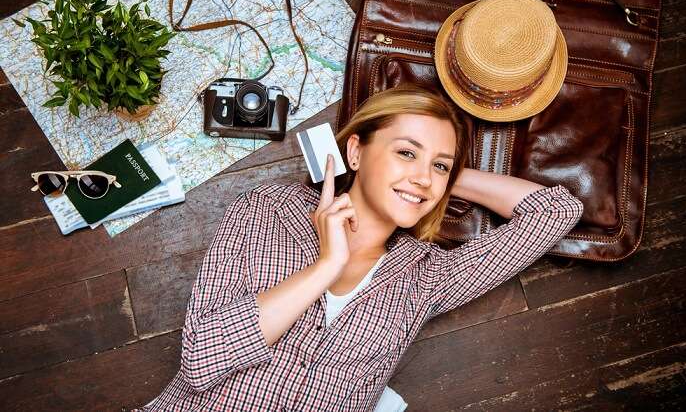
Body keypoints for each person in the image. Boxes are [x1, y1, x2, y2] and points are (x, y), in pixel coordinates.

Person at [134, 84, 584, 411]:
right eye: (406, 152)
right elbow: (201, 361)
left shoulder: (426, 276)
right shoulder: (271, 210)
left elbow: (554, 213)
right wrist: (327, 266)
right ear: (355, 151)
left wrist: (441, 177)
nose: (424, 176)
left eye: (439, 165)